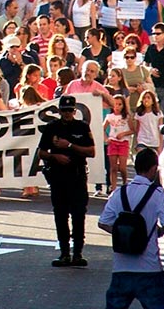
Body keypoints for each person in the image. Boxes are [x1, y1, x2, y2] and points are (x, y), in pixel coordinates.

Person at [97, 148, 164, 309]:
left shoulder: (119, 193)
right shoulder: (158, 194)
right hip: (149, 268)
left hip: (121, 267)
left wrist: (121, 232)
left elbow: (103, 222)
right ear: (153, 169)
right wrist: (155, 233)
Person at [38, 95, 96, 268]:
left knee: (79, 214)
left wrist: (70, 146)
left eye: (70, 110)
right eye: (64, 110)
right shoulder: (52, 127)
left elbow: (91, 151)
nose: (67, 114)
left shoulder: (82, 127)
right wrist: (55, 155)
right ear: (60, 111)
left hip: (77, 176)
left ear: (75, 111)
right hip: (58, 176)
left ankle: (78, 252)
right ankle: (64, 252)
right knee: (60, 214)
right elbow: (41, 152)